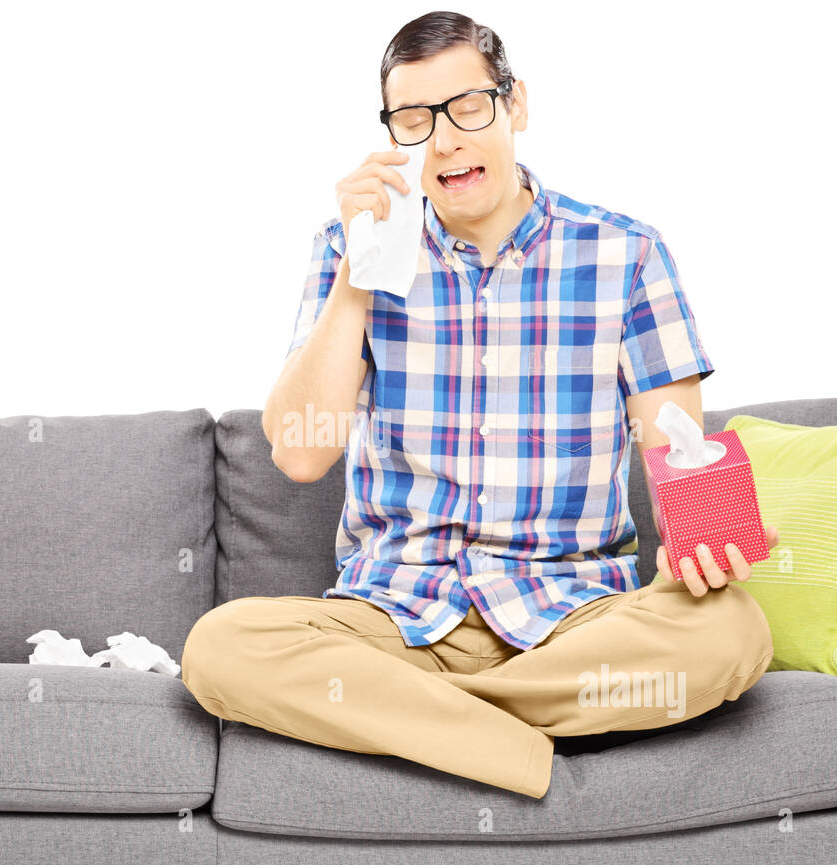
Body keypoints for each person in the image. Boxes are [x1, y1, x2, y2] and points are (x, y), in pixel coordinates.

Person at [181, 10, 778, 799]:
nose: (447, 138)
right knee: (221, 647)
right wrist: (359, 279)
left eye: (468, 107)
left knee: (730, 633)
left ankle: (448, 728)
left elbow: (679, 452)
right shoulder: (346, 247)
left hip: (572, 620)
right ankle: (526, 738)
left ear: (515, 105)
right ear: (395, 137)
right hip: (397, 617)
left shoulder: (626, 253)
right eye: (415, 120)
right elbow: (298, 450)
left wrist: (706, 543)